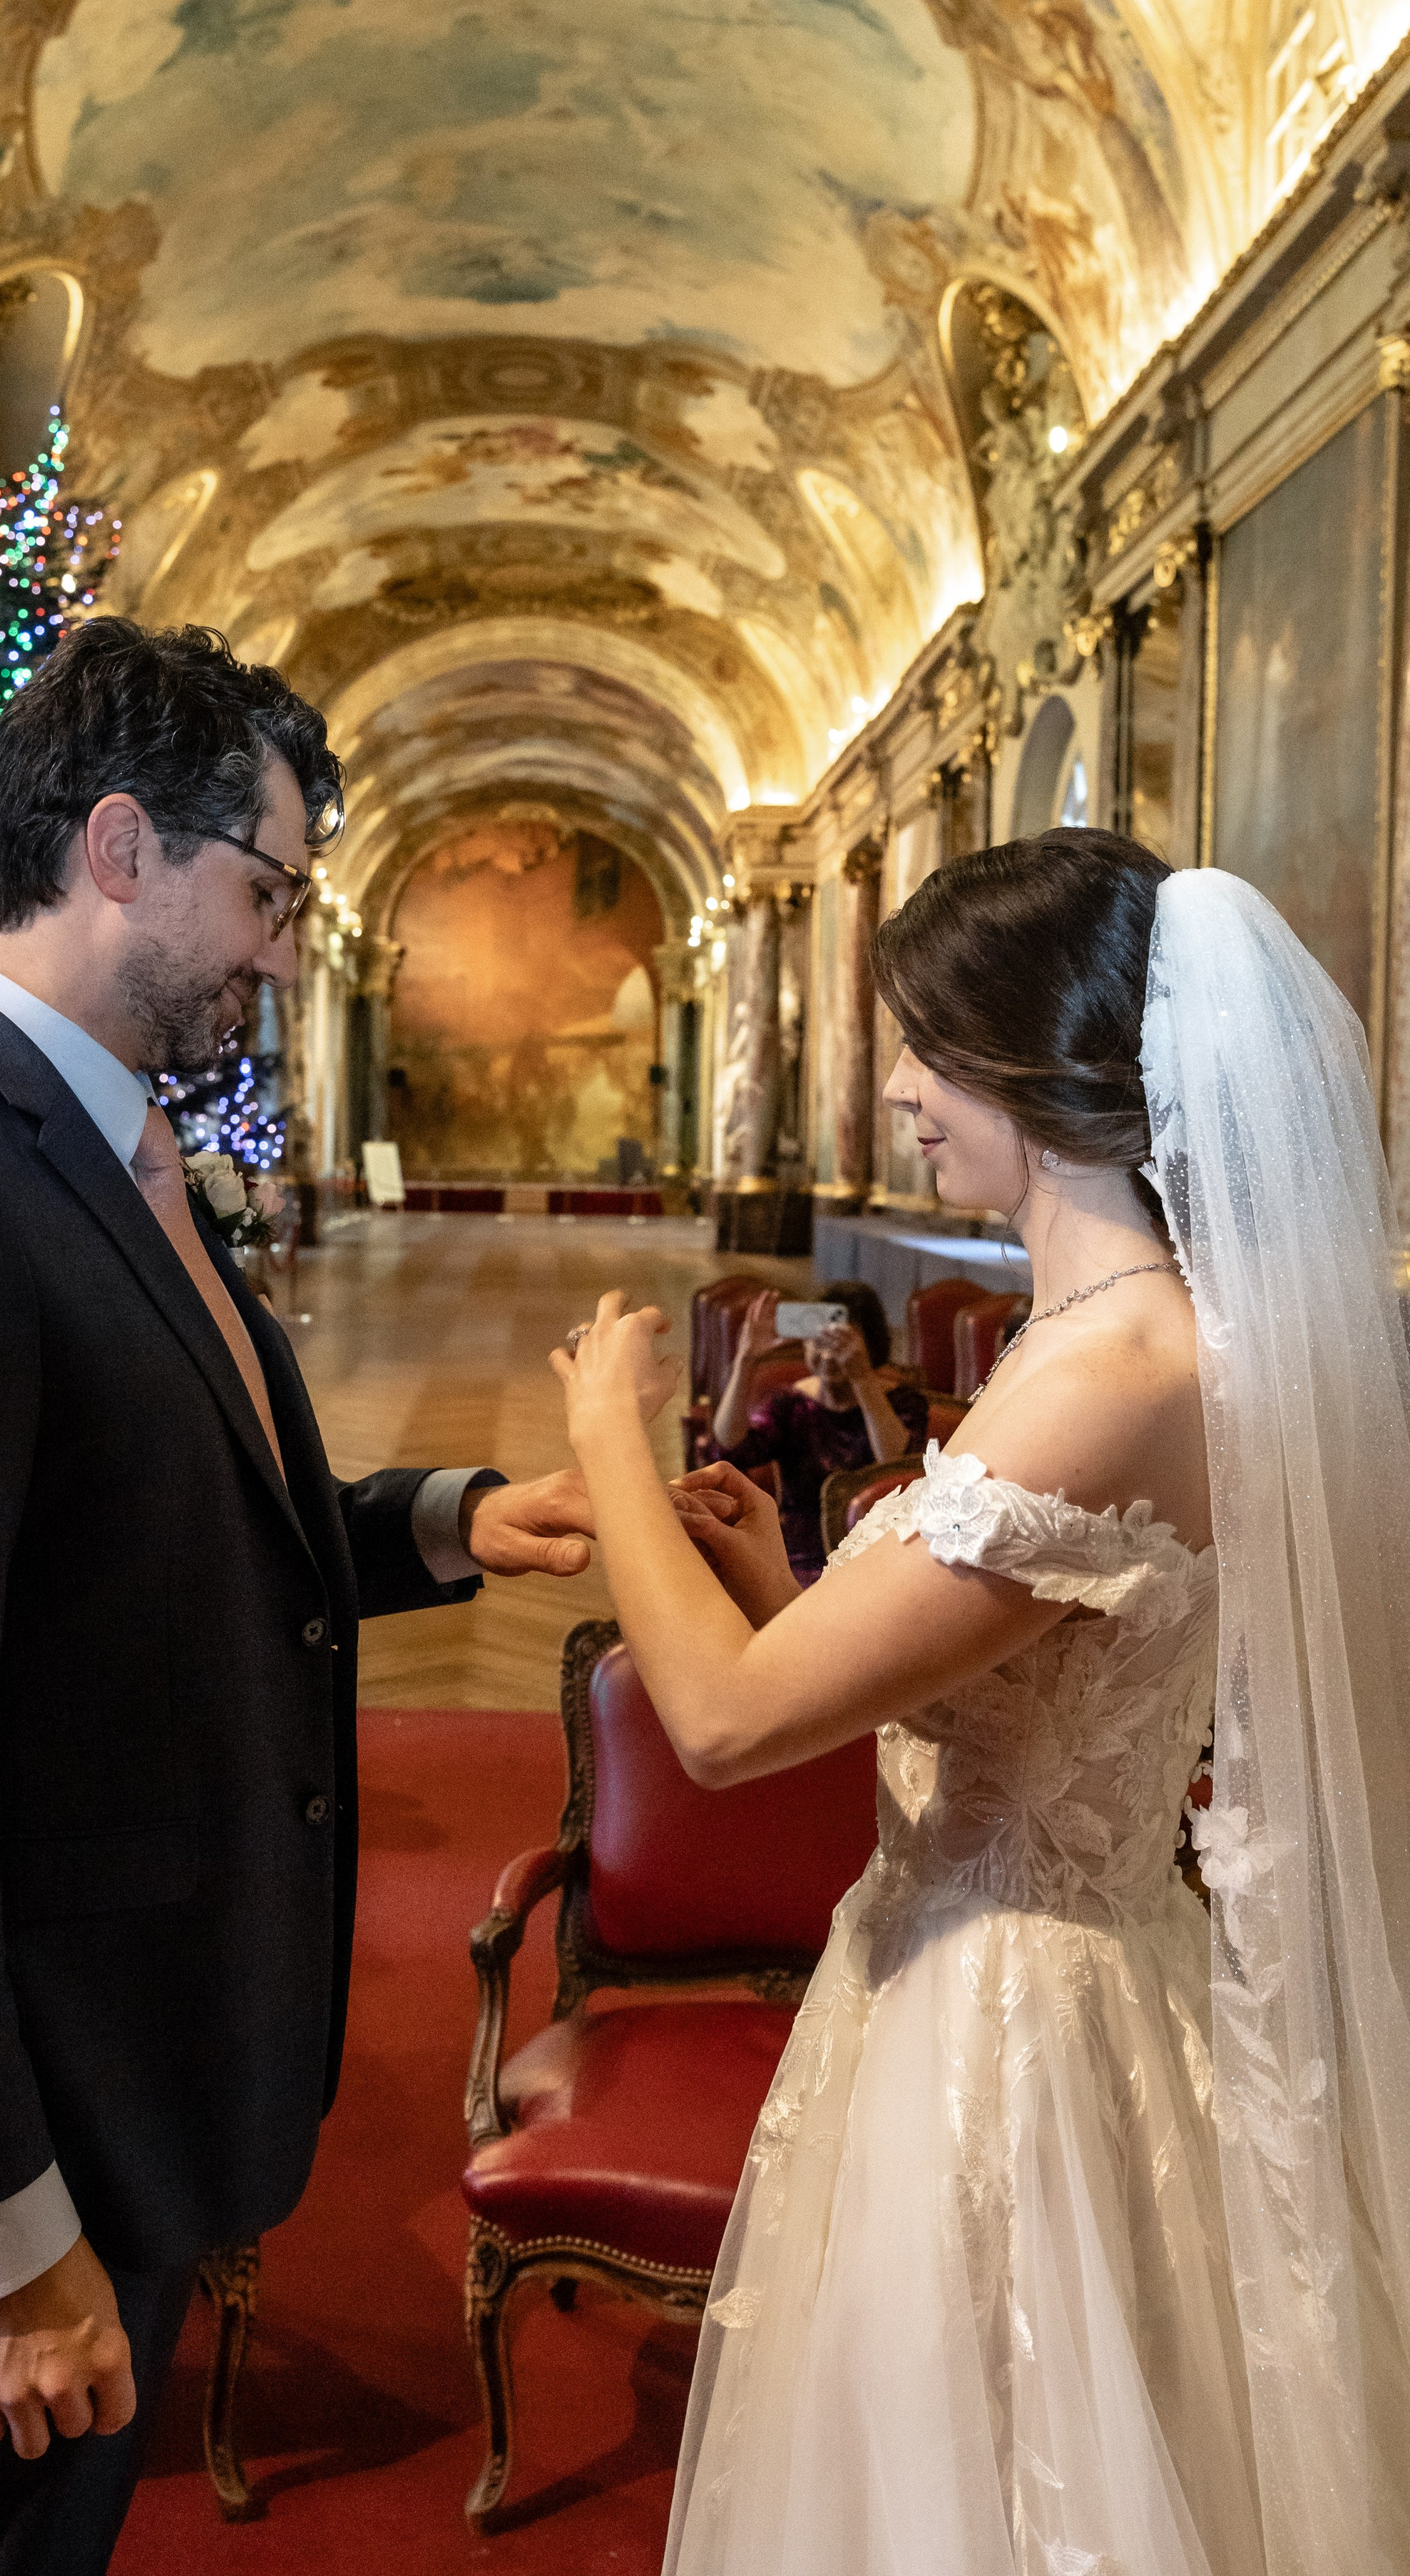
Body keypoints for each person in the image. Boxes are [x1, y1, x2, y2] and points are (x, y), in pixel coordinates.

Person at [0, 619, 598, 2576]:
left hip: (122, 2071)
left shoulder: (112, 1147)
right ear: (119, 850)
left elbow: (155, 1531)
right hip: (16, 2113)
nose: (289, 949)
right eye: (272, 893)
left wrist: (446, 1522)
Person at [553, 829, 1410, 2576]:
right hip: (995, 1957)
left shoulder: (1111, 1369)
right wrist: (791, 1599)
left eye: (923, 1050)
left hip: (1012, 2016)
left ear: (1029, 1066)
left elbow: (719, 1728)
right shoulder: (1095, 1331)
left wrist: (609, 1440)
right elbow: (1016, 1682)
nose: (896, 1092)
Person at [705, 1278, 926, 1583]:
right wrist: (746, 1359)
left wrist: (861, 1377)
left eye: (839, 1344)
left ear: (871, 1346)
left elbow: (896, 1465)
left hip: (879, 1555)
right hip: (798, 1560)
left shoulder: (905, 1403)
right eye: (818, 1341)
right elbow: (730, 1446)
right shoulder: (793, 1404)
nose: (825, 1355)